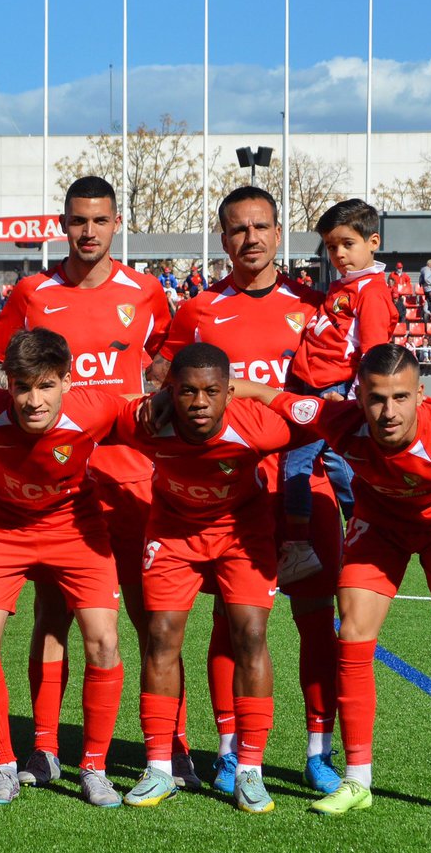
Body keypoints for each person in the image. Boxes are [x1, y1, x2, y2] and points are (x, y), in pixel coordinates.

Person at [238, 345, 431, 821]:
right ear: (358, 396)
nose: (389, 412)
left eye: (401, 397)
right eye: (377, 398)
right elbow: (267, 394)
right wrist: (192, 389)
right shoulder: (338, 418)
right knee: (353, 636)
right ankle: (357, 779)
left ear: (420, 394)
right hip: (379, 529)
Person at [0, 175, 172, 788]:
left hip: (130, 475)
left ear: (117, 225)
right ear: (63, 224)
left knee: (151, 618)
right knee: (52, 616)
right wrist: (21, 418)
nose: (88, 231)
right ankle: (41, 746)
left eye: (100, 220)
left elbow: (164, 363)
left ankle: (170, 746)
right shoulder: (33, 292)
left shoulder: (145, 292)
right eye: (78, 220)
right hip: (56, 482)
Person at [149, 185, 343, 795]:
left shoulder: (316, 306)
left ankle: (318, 749)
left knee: (317, 623)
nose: (250, 239)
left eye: (261, 227)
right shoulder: (200, 309)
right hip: (230, 496)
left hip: (305, 488)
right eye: (237, 229)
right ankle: (232, 751)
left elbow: (335, 388)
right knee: (231, 627)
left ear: (279, 234)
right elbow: (163, 374)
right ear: (223, 238)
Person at [115, 343, 303, 814]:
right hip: (174, 534)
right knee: (160, 637)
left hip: (242, 534)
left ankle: (249, 771)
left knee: (251, 636)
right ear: (170, 391)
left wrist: (263, 392)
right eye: (188, 392)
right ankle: (160, 767)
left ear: (228, 392)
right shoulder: (144, 425)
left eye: (212, 391)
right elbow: (95, 419)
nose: (199, 402)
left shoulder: (258, 426)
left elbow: (317, 418)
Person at [0, 329, 126, 808]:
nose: (34, 400)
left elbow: (154, 414)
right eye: (22, 387)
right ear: (6, 384)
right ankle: (3, 765)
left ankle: (94, 767)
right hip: (2, 530)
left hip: (76, 529)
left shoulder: (97, 409)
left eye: (46, 386)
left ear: (67, 383)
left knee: (104, 639)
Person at [279, 199, 396, 586]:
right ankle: (369, 534)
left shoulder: (372, 291)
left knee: (296, 465)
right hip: (314, 385)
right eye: (331, 246)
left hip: (329, 390)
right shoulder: (344, 286)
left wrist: (353, 399)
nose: (339, 254)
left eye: (347, 243)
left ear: (373, 241)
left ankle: (296, 547)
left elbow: (375, 352)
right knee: (339, 466)